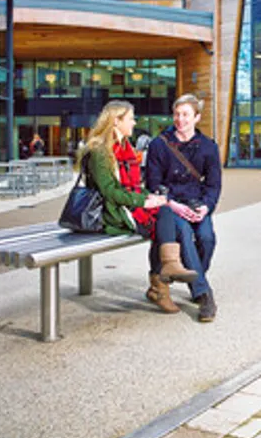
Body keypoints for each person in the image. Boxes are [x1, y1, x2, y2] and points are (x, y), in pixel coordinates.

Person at [83, 100, 197, 314]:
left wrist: (152, 197)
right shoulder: (100, 151)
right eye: (130, 118)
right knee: (162, 223)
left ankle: (166, 272)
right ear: (116, 121)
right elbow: (109, 191)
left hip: (126, 204)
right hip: (111, 212)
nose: (134, 123)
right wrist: (143, 202)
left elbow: (134, 187)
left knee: (164, 210)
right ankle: (161, 284)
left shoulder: (126, 146)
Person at [146, 94, 222, 323]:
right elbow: (152, 183)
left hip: (197, 203)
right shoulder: (159, 144)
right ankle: (204, 294)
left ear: (197, 117)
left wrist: (206, 207)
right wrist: (173, 205)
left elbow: (214, 184)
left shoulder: (208, 147)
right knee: (186, 238)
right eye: (177, 114)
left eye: (186, 114)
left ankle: (195, 278)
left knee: (207, 239)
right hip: (170, 205)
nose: (180, 119)